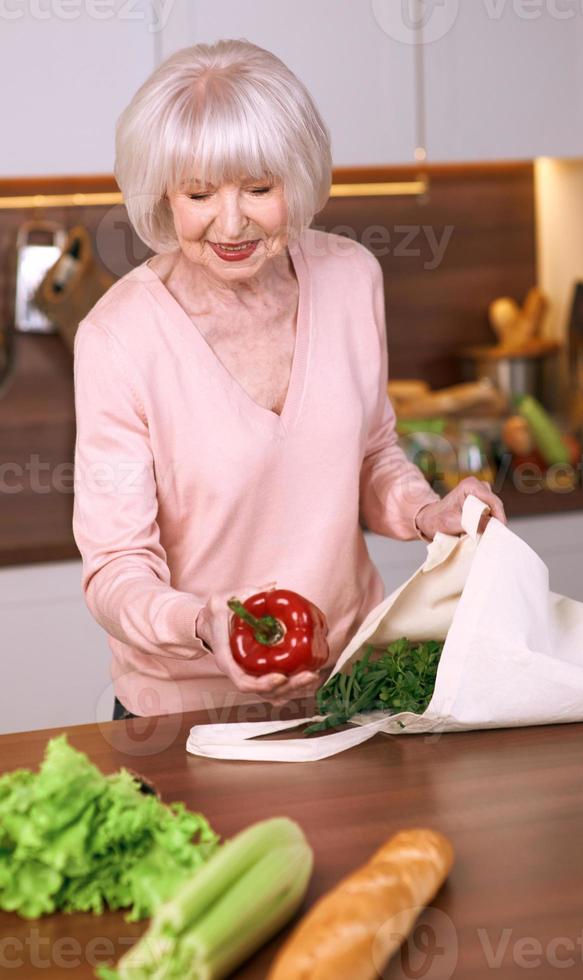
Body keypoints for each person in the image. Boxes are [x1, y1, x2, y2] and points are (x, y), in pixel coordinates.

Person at [73, 39, 506, 720]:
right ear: (163, 194)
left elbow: (370, 454)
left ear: (296, 180)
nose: (231, 221)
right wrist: (206, 625)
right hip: (184, 710)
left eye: (258, 188)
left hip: (349, 681)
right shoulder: (117, 338)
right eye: (198, 193)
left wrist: (430, 514)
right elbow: (115, 570)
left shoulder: (350, 276)